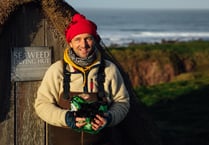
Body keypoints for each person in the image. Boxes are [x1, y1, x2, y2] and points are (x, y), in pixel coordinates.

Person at [34, 13, 130, 145]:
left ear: (95, 40)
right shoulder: (57, 70)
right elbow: (42, 105)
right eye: (77, 39)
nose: (83, 44)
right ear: (70, 43)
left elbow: (122, 102)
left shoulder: (109, 69)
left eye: (88, 38)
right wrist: (67, 118)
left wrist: (109, 117)